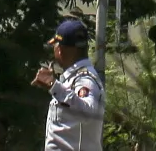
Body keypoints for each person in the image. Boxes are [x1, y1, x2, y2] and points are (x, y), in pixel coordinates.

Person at [30, 18, 103, 151]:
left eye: (55, 46)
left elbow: (88, 112)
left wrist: (53, 85)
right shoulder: (74, 78)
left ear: (60, 50)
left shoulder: (84, 78)